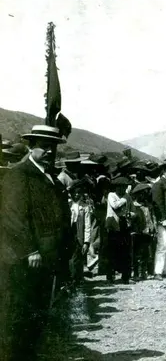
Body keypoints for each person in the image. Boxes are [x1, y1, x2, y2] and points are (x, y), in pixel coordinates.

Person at [0, 125, 71, 360]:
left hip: (47, 258)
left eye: (53, 147)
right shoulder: (19, 174)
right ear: (31, 146)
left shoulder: (51, 178)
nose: (49, 151)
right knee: (17, 315)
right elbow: (13, 217)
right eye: (43, 146)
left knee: (38, 314)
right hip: (23, 259)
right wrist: (29, 250)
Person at [105, 177, 133, 284]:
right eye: (119, 187)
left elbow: (133, 210)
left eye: (123, 187)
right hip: (113, 226)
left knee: (125, 251)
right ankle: (110, 277)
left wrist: (130, 214)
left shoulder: (128, 197)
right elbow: (115, 206)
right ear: (115, 187)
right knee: (112, 251)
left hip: (124, 225)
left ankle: (125, 277)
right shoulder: (111, 195)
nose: (121, 189)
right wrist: (125, 199)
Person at [130, 183, 155, 281]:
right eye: (142, 193)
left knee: (146, 253)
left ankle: (144, 272)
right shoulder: (134, 206)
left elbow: (151, 218)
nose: (144, 195)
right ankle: (136, 273)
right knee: (137, 254)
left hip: (147, 231)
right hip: (137, 232)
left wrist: (153, 228)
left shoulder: (148, 205)